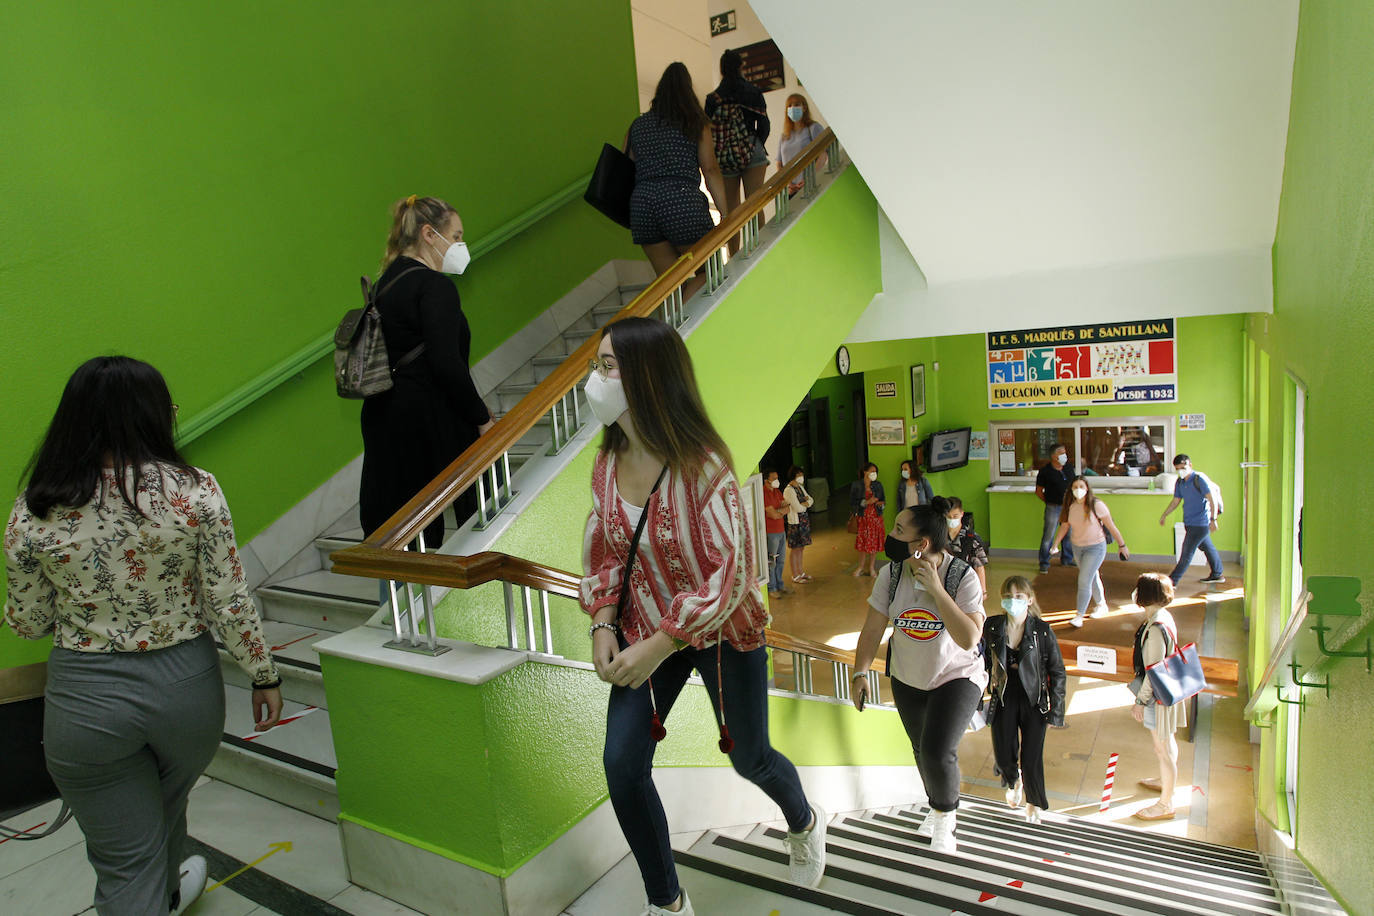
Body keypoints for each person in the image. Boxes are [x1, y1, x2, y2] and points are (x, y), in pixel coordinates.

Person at [3, 356, 284, 916]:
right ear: (153, 417)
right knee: (166, 807)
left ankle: (157, 894)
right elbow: (228, 600)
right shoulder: (195, 491)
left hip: (85, 700)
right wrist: (264, 675)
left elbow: (29, 622)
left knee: (123, 861)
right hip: (186, 689)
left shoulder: (35, 506)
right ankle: (170, 891)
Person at [579, 318, 826, 916]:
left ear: (646, 378)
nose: (594, 378)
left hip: (723, 635)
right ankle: (667, 902)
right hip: (642, 630)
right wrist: (603, 624)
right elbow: (606, 548)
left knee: (749, 757)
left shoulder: (705, 464)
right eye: (598, 364)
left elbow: (732, 572)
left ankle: (803, 820)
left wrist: (662, 644)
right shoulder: (606, 465)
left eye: (608, 367)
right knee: (621, 763)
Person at [359, 195, 495, 551]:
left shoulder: (384, 285)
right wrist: (482, 419)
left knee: (405, 530)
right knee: (483, 501)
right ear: (430, 235)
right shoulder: (434, 286)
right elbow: (446, 363)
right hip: (425, 418)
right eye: (458, 235)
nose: (462, 245)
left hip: (384, 417)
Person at [850, 498, 986, 853]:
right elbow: (872, 627)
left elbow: (970, 637)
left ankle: (945, 820)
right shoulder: (891, 575)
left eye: (898, 531)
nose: (890, 536)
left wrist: (937, 590)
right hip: (908, 676)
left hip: (957, 675)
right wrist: (860, 672)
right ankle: (937, 803)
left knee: (939, 751)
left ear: (921, 544)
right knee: (920, 749)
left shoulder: (962, 576)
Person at [628, 63, 728, 299]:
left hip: (643, 207)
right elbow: (710, 169)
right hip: (680, 202)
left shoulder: (638, 125)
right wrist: (726, 213)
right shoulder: (695, 122)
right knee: (713, 270)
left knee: (670, 284)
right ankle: (684, 317)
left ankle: (677, 321)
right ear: (687, 91)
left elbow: (628, 163)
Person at [982, 577, 1066, 825]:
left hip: (1034, 699)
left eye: (1019, 597)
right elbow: (981, 661)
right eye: (1008, 596)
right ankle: (1012, 780)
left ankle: (1034, 803)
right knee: (1003, 751)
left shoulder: (1041, 631)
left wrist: (1056, 712)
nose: (1013, 601)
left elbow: (1057, 671)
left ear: (1029, 599)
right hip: (1004, 696)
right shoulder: (993, 626)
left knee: (1031, 756)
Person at [1129, 573, 1187, 821]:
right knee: (1166, 744)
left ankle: (1165, 804)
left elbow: (1153, 671)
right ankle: (1166, 781)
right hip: (1168, 692)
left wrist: (1140, 702)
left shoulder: (1155, 629)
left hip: (1158, 697)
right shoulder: (1164, 617)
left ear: (1143, 596)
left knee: (1162, 747)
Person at [705, 49, 769, 255]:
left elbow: (708, 132)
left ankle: (733, 256)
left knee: (731, 211)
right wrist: (755, 143)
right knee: (754, 203)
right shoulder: (753, 93)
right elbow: (764, 125)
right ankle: (760, 249)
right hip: (753, 150)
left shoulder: (713, 99)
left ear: (721, 70)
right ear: (741, 67)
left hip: (725, 156)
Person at [1050, 476, 1131, 628]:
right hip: (1077, 547)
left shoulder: (1096, 505)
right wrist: (1055, 544)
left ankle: (1079, 615)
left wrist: (1122, 545)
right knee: (1091, 576)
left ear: (1087, 488)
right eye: (1075, 487)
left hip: (1096, 547)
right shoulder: (1070, 506)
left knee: (1084, 580)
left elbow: (1111, 526)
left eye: (1081, 486)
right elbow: (1065, 526)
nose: (1078, 490)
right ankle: (1101, 605)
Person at [1159, 454, 1225, 586]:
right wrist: (1165, 514)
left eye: (1183, 467)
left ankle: (1172, 582)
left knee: (1186, 554)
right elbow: (1176, 501)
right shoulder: (1180, 482)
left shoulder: (1199, 479)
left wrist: (1213, 519)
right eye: (1178, 468)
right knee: (1207, 547)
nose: (1181, 471)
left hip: (1201, 523)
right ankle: (1217, 573)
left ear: (1190, 465)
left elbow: (1212, 500)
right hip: (1189, 522)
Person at [1035, 444, 1075, 573]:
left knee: (1068, 534)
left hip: (1068, 507)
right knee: (1049, 536)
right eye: (1061, 453)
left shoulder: (1068, 468)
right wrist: (1049, 501)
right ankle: (1044, 562)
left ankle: (1067, 559)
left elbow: (1074, 484)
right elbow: (1039, 491)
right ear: (1053, 456)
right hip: (1053, 507)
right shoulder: (1045, 471)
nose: (1065, 456)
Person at [776, 93, 826, 195]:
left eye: (796, 104)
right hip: (791, 190)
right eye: (789, 106)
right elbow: (779, 163)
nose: (793, 108)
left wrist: (810, 178)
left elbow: (823, 155)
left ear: (804, 108)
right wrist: (787, 183)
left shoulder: (813, 128)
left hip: (810, 185)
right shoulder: (784, 136)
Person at [943, 497, 989, 598]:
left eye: (955, 516)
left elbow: (979, 566)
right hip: (943, 585)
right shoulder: (939, 536)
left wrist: (983, 591)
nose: (952, 520)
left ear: (962, 514)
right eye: (948, 516)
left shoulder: (971, 538)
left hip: (966, 584)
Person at [849, 462, 885, 577]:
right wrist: (866, 503)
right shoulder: (856, 485)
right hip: (863, 517)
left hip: (875, 517)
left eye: (875, 472)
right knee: (863, 543)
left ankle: (871, 567)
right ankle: (860, 566)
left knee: (873, 543)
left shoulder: (878, 485)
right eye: (872, 471)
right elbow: (852, 502)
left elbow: (883, 500)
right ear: (865, 472)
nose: (874, 474)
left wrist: (880, 504)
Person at [783, 466, 814, 583]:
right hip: (795, 523)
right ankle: (795, 574)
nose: (801, 477)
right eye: (799, 475)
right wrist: (805, 504)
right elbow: (797, 508)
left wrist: (806, 503)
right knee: (795, 548)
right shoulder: (789, 490)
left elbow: (811, 500)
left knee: (801, 548)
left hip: (804, 521)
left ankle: (801, 572)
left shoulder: (800, 487)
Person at [762, 468, 788, 597]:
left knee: (781, 560)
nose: (777, 481)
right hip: (771, 532)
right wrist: (779, 512)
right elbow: (772, 514)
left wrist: (779, 512)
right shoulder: (763, 493)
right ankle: (771, 588)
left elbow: (787, 508)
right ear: (766, 480)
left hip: (781, 530)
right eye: (774, 479)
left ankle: (780, 584)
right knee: (771, 561)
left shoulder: (777, 491)